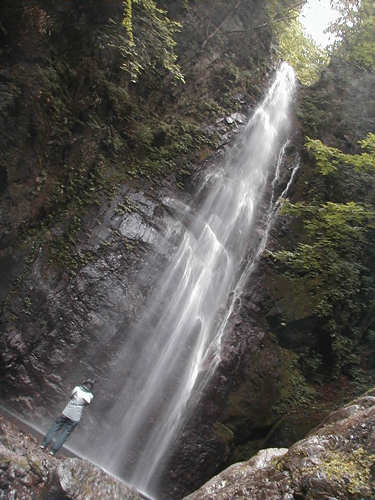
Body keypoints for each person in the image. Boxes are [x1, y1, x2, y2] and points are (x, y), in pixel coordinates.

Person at [41, 379, 95, 457]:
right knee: (65, 434)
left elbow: (71, 396)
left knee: (56, 426)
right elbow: (85, 405)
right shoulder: (90, 396)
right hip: (75, 417)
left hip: (66, 412)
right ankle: (53, 451)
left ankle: (44, 444)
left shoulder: (77, 389)